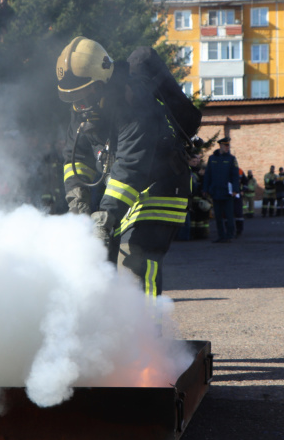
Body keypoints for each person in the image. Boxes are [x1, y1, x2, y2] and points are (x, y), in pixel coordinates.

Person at [57, 37, 191, 297]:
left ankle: (148, 336)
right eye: (73, 96)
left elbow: (131, 164)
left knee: (134, 263)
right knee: (102, 265)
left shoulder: (134, 101)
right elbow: (76, 157)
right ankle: (112, 335)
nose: (80, 102)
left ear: (101, 82)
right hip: (124, 194)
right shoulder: (81, 107)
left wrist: (104, 218)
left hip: (160, 187)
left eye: (84, 93)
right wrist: (78, 202)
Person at [203, 137, 240, 242]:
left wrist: (235, 190)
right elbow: (207, 175)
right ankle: (221, 235)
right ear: (220, 146)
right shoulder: (212, 158)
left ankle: (229, 235)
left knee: (229, 215)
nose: (227, 147)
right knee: (218, 216)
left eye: (228, 145)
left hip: (227, 192)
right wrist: (205, 189)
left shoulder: (231, 159)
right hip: (216, 191)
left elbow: (235, 176)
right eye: (225, 145)